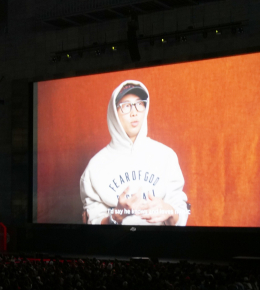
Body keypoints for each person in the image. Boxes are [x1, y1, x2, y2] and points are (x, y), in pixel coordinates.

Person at [80, 80, 188, 226]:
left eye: (139, 104)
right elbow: (93, 222)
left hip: (161, 245)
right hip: (115, 246)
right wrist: (117, 215)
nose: (134, 112)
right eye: (125, 106)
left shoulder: (166, 156)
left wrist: (169, 211)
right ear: (114, 113)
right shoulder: (95, 166)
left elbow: (180, 213)